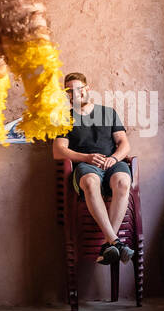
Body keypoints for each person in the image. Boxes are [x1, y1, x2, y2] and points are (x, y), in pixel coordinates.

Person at [51, 72, 133, 265]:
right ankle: (115, 243)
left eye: (79, 89)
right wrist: (87, 158)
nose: (75, 94)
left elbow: (124, 143)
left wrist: (114, 158)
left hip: (112, 163)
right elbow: (58, 151)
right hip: (86, 166)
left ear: (87, 89)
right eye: (69, 91)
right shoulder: (65, 118)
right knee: (90, 181)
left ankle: (109, 245)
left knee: (123, 181)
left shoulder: (108, 112)